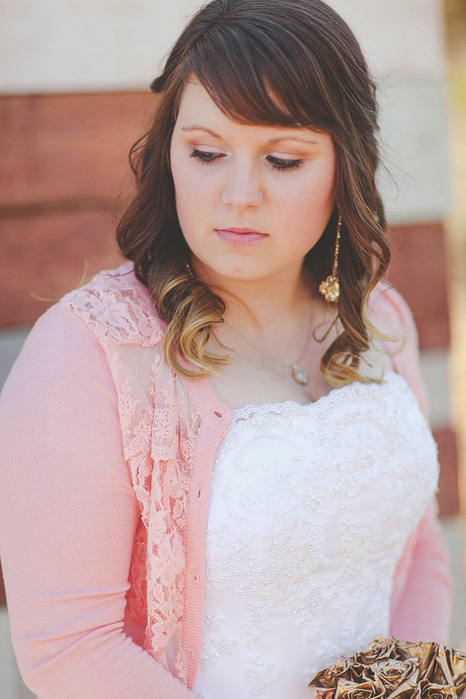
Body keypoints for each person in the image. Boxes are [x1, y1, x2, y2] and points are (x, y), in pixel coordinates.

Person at [0, 0, 454, 697]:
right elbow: (68, 649)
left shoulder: (381, 320)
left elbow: (420, 551)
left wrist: (408, 688)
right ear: (169, 155)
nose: (239, 194)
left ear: (346, 164)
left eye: (282, 159)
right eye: (207, 153)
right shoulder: (90, 350)